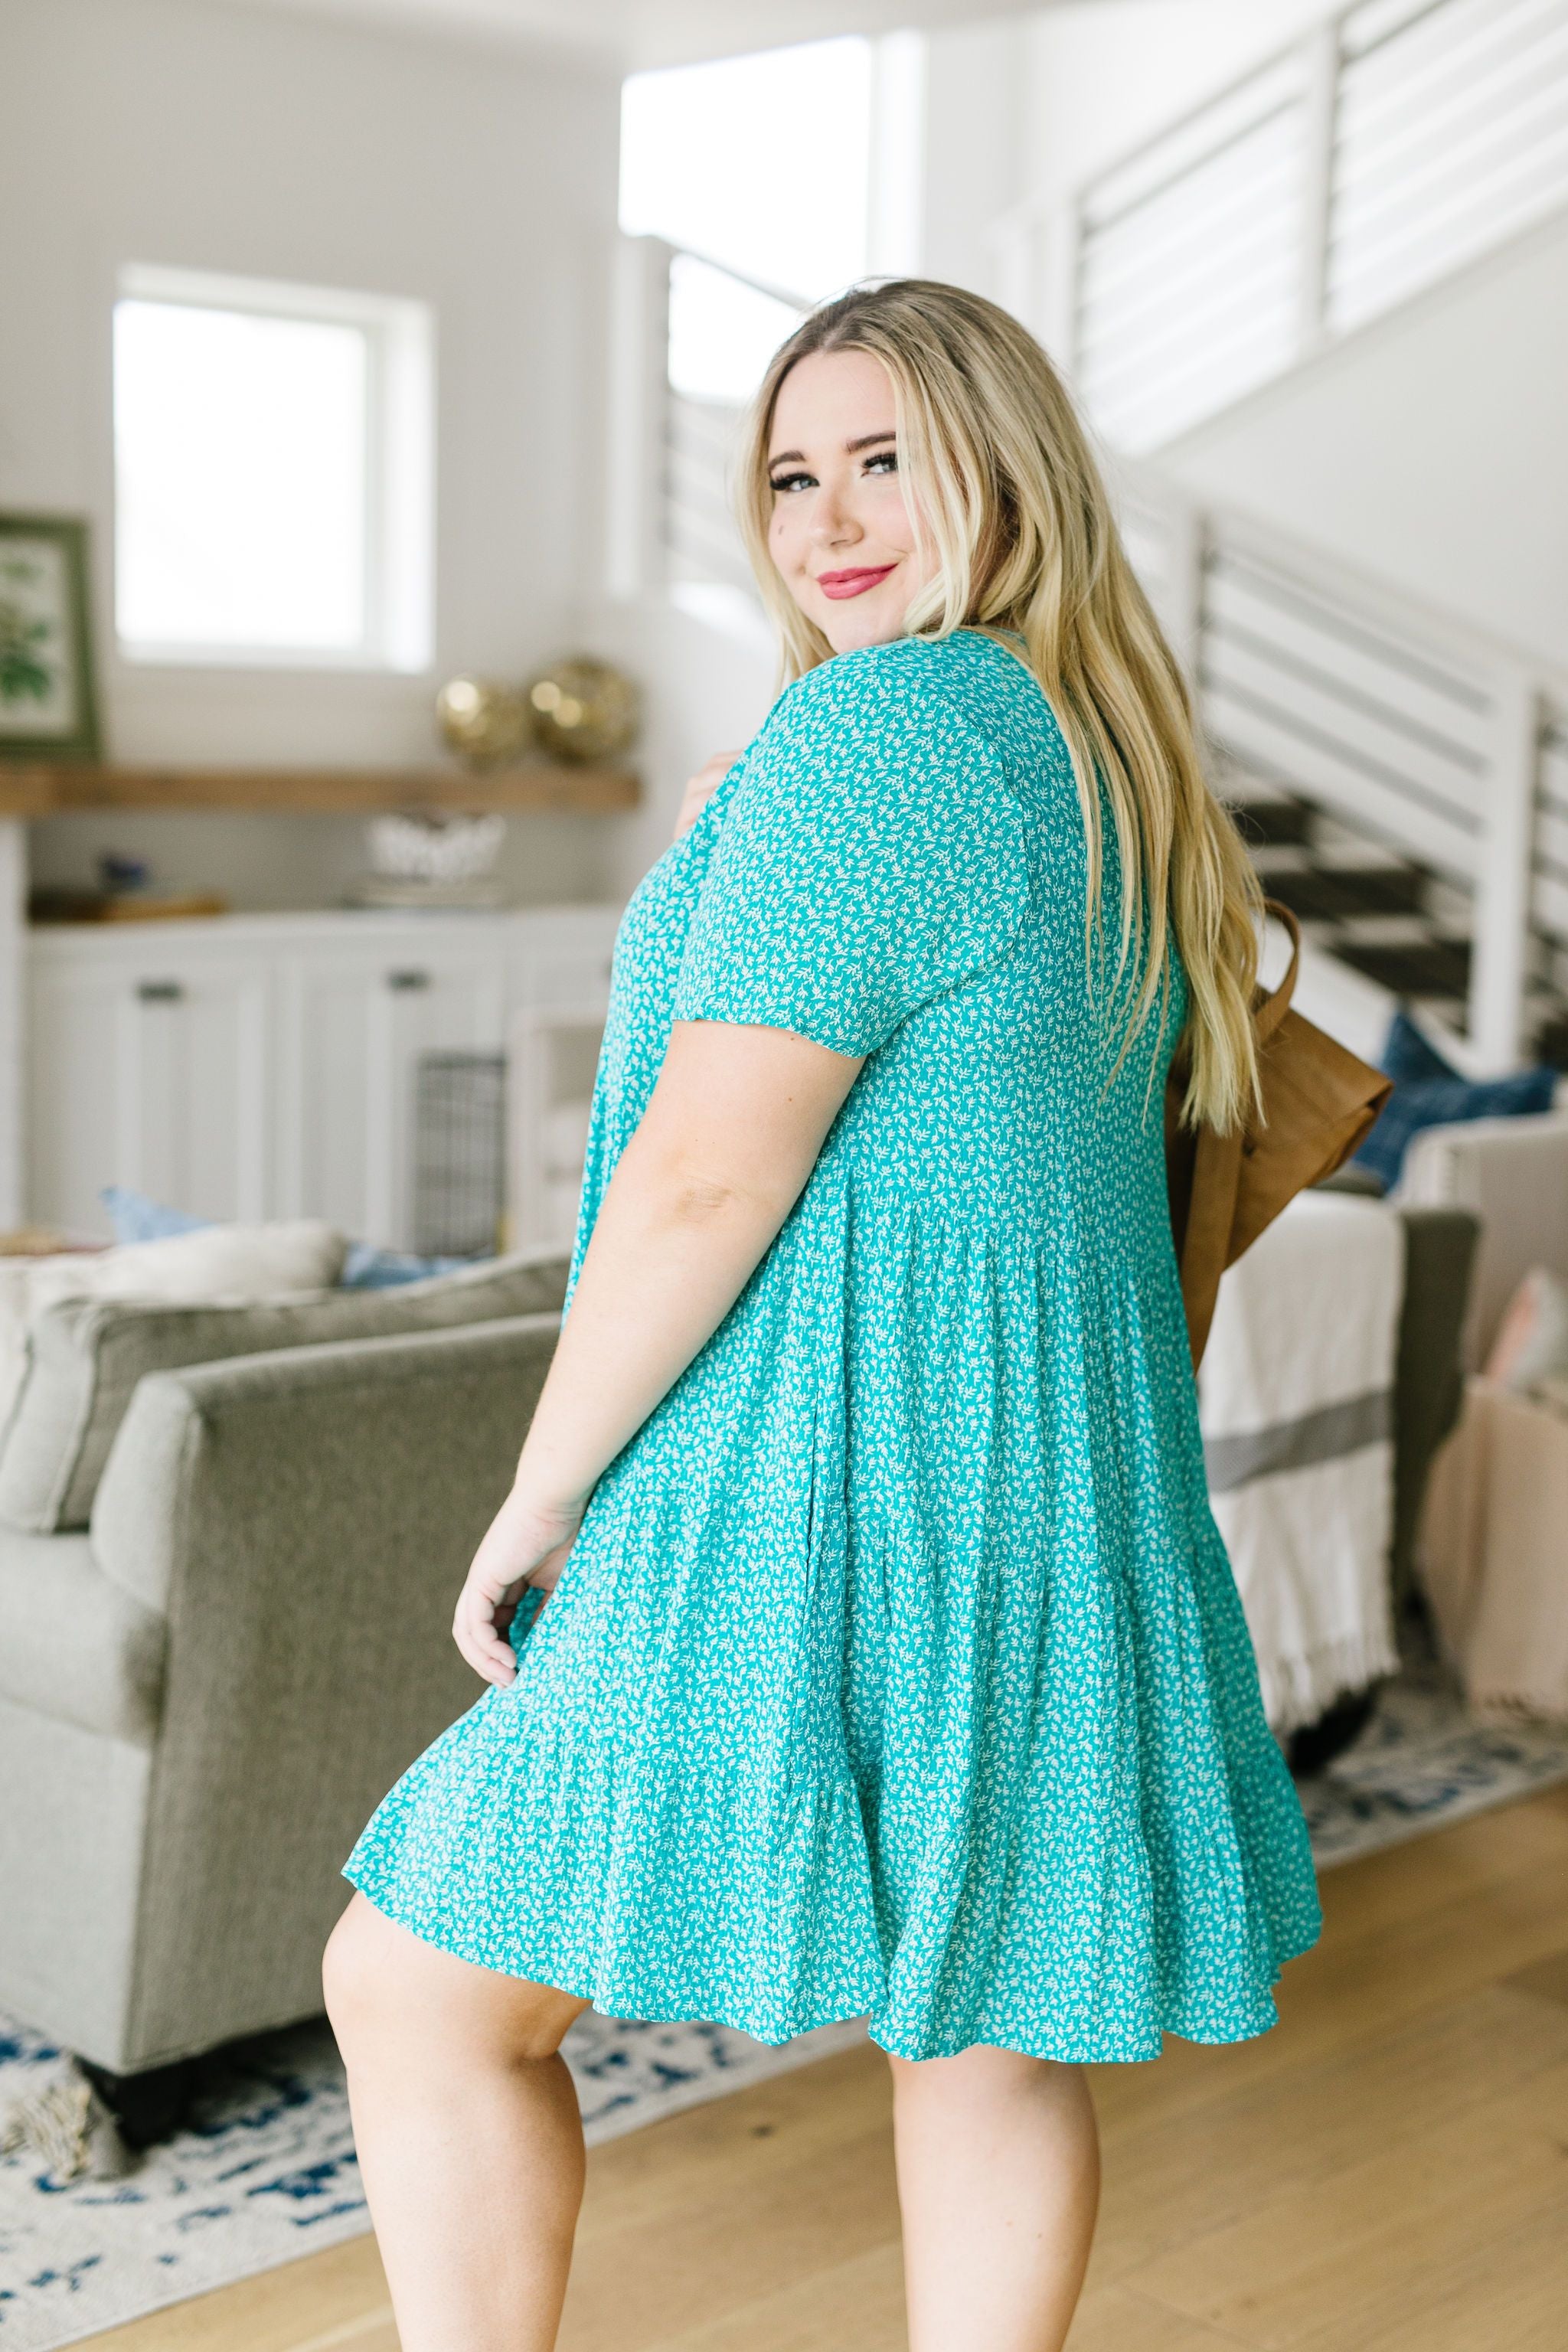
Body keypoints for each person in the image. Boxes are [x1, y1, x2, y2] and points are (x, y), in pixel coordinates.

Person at [323, 278, 1322, 2352]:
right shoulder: (1089, 749)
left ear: (1005, 470)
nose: (830, 516)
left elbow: (709, 1174)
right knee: (988, 2025)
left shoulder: (875, 737)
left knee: (411, 1983)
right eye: (792, 473)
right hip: (1044, 1490)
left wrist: (536, 1489)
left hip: (811, 1481)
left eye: (888, 459)